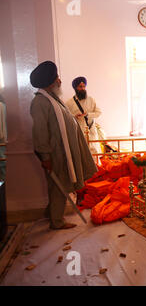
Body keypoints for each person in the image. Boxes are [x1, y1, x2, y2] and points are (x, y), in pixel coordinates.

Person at [29, 61, 97, 230]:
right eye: (57, 78)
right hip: (55, 154)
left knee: (59, 185)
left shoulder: (53, 99)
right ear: (50, 82)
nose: (60, 81)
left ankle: (51, 214)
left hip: (63, 152)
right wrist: (45, 157)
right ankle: (56, 221)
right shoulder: (40, 102)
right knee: (58, 187)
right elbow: (40, 131)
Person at [65, 76, 102, 154]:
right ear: (75, 88)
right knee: (82, 154)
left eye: (84, 86)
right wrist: (74, 117)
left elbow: (99, 113)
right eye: (80, 86)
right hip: (78, 133)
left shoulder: (91, 99)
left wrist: (88, 115)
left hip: (91, 131)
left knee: (94, 153)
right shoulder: (69, 103)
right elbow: (66, 118)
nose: (82, 88)